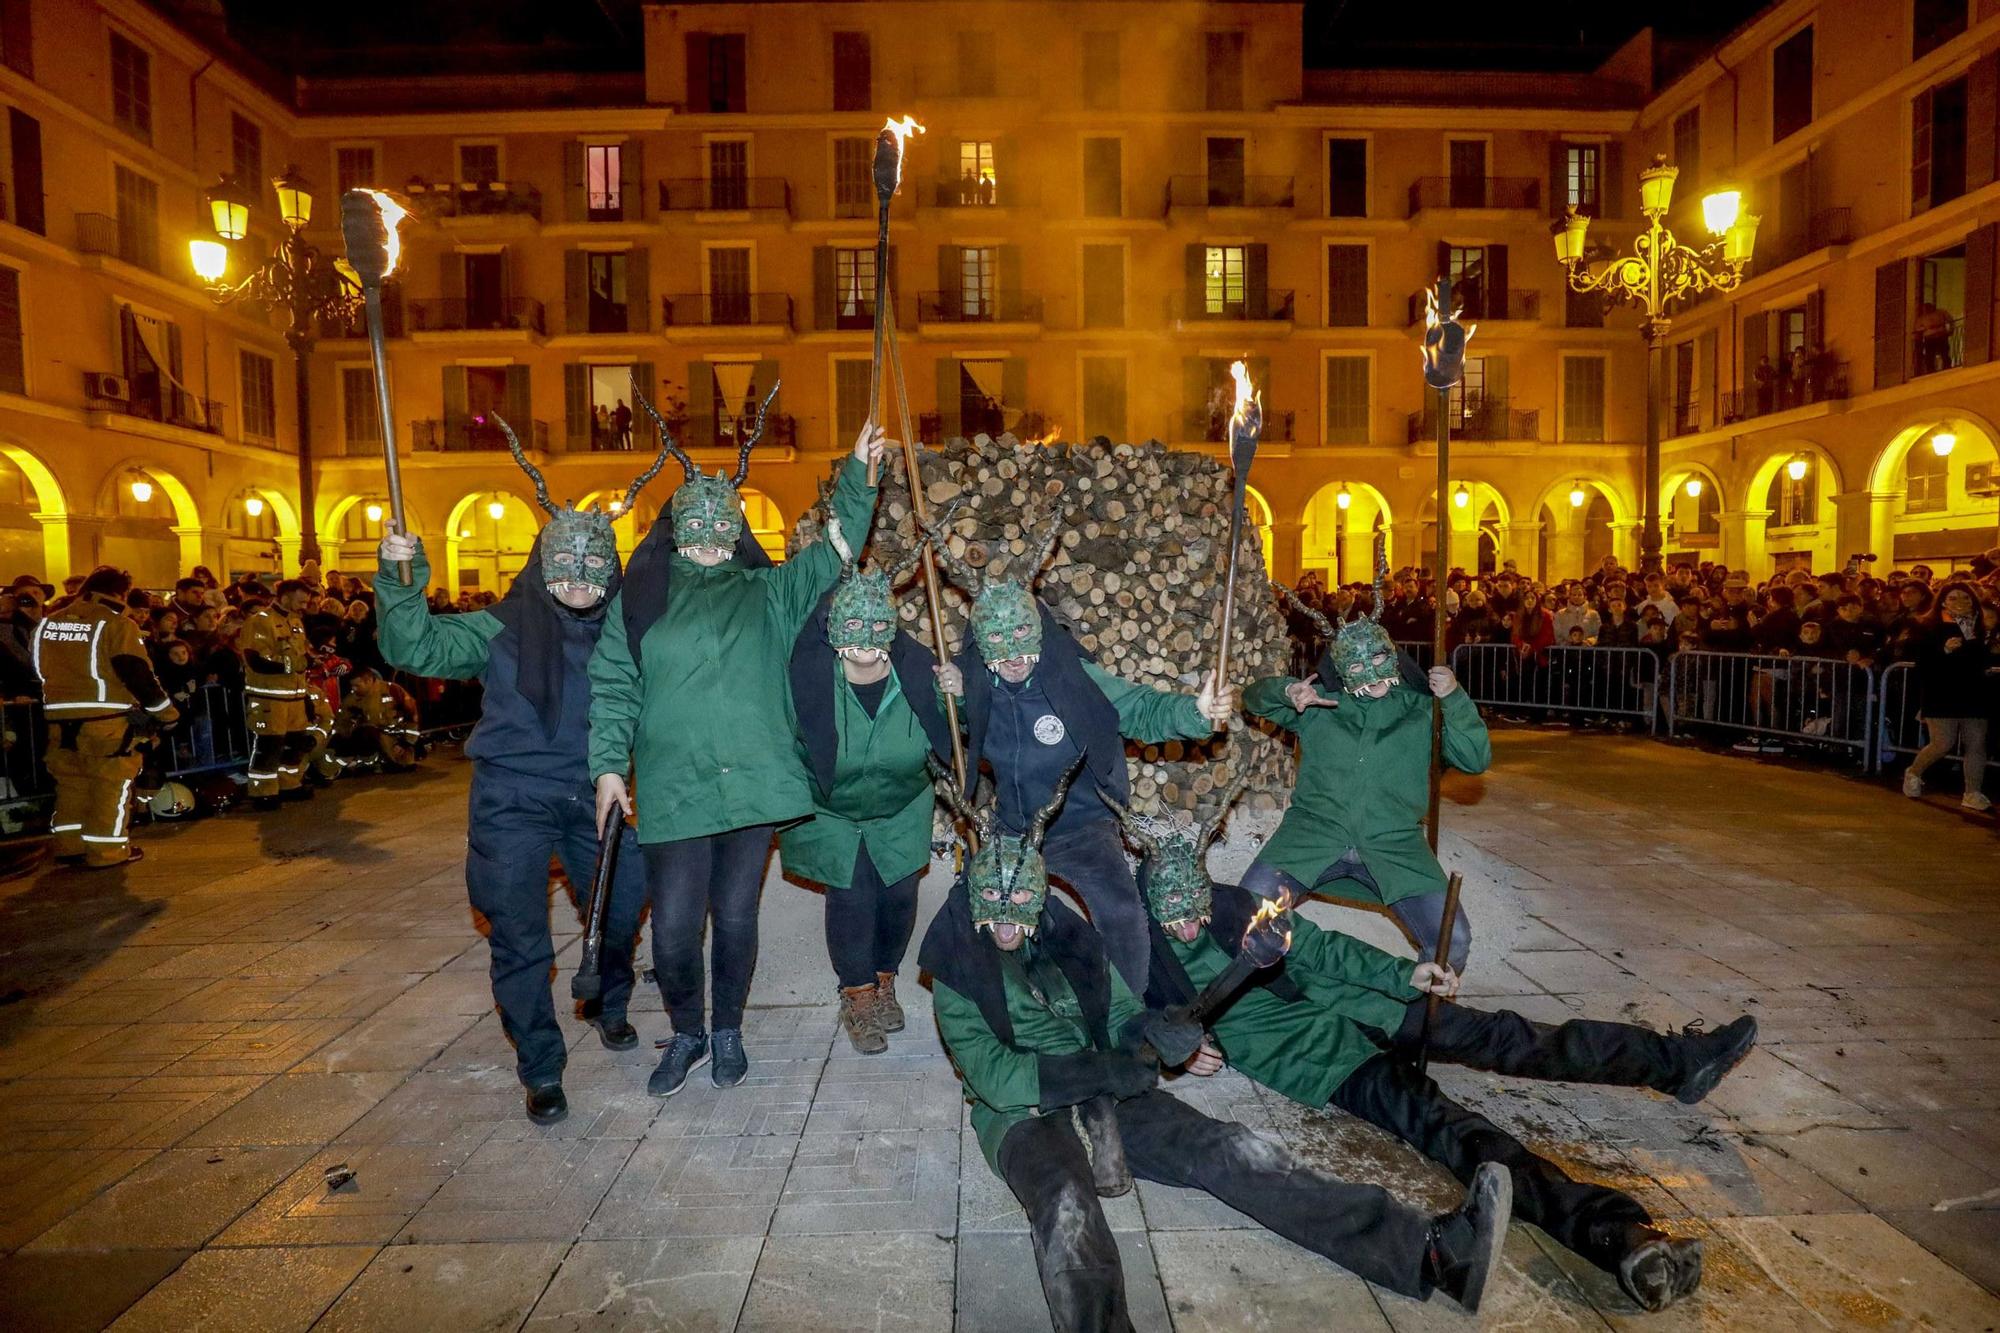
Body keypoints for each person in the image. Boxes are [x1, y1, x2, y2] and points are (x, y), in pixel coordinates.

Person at [922, 770, 1512, 1331]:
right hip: (1027, 1110)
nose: (1004, 930)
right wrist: (1111, 1067)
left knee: (1228, 1147)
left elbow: (1125, 1011)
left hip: (1111, 1091)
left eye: (1017, 912)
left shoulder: (1070, 936)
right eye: (993, 914)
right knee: (1066, 1207)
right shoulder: (958, 967)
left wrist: (1155, 1037)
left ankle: (1427, 1255)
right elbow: (995, 1076)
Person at [1117, 807, 1753, 1314]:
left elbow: (1325, 950)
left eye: (1196, 913)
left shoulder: (1238, 906)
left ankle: (1677, 1062)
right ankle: (1619, 1237)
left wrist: (1407, 972)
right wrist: (1184, 1050)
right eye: (1175, 921)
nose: (1189, 930)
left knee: (1511, 1035)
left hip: (1372, 1007)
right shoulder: (1139, 956)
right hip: (1325, 1057)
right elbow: (1130, 1030)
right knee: (1451, 1129)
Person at [589, 392, 885, 1098]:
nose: (710, 545)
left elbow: (839, 543)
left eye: (722, 532)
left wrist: (860, 473)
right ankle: (687, 1029)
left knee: (739, 917)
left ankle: (728, 1031)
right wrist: (606, 764)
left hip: (753, 785)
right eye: (698, 533)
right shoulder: (641, 599)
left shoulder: (770, 591)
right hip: (676, 787)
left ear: (737, 531)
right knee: (675, 930)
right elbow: (612, 683)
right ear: (676, 532)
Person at [376, 422, 661, 1123]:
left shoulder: (633, 636)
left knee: (623, 906)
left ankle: (608, 996)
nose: (575, 583)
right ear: (541, 563)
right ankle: (541, 1063)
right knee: (517, 931)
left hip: (601, 795)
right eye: (562, 568)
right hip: (512, 797)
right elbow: (412, 642)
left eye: (590, 570)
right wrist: (399, 575)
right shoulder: (497, 628)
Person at [923, 504, 1235, 993]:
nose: (1012, 661)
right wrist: (957, 699)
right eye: (997, 648)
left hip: (1083, 826)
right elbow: (965, 731)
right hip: (1011, 827)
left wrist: (1195, 713)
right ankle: (1001, 1008)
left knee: (1122, 911)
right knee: (973, 908)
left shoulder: (1076, 679)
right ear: (982, 645)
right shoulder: (979, 681)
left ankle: (1129, 1017)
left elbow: (1140, 709)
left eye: (1023, 643)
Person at [1258, 569, 1488, 970]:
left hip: (1393, 844)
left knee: (1455, 940)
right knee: (1249, 917)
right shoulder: (1319, 706)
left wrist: (1453, 698)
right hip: (1312, 836)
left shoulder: (1421, 711)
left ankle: (1419, 1015)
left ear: (1393, 654)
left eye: (1380, 657)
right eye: (1359, 663)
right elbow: (1254, 699)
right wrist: (1286, 690)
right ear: (1342, 669)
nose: (1373, 668)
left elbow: (1474, 758)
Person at [783, 558, 953, 1053]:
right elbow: (778, 736)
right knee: (853, 895)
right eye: (852, 628)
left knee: (899, 896)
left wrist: (957, 696)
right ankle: (856, 993)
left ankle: (884, 979)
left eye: (877, 627)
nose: (864, 642)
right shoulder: (807, 677)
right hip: (832, 807)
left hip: (901, 804)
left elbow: (960, 725)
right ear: (835, 632)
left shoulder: (919, 671)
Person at [31, 566, 178, 867]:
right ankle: (107, 852)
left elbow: (36, 669)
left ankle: (69, 846)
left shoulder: (48, 624)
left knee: (71, 784)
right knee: (110, 786)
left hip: (58, 720)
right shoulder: (116, 624)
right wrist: (167, 714)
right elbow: (136, 673)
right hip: (105, 720)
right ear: (120, 593)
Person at [1901, 583, 1991, 811]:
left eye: (1965, 598)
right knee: (1943, 743)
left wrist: (1976, 641)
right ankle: (1914, 771)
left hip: (1974, 692)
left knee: (1977, 743)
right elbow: (1921, 663)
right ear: (1943, 601)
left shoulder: (1980, 628)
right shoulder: (1929, 626)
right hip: (1941, 692)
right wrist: (1945, 651)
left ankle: (1972, 792)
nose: (1960, 602)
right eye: (1953, 598)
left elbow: (1983, 661)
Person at [242, 580, 319, 807]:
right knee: (269, 745)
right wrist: (291, 665)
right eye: (301, 600)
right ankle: (262, 792)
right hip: (269, 696)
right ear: (284, 597)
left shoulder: (296, 621)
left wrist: (308, 663)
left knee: (294, 744)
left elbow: (301, 655)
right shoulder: (260, 622)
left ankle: (289, 784)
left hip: (294, 695)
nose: (305, 605)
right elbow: (255, 659)